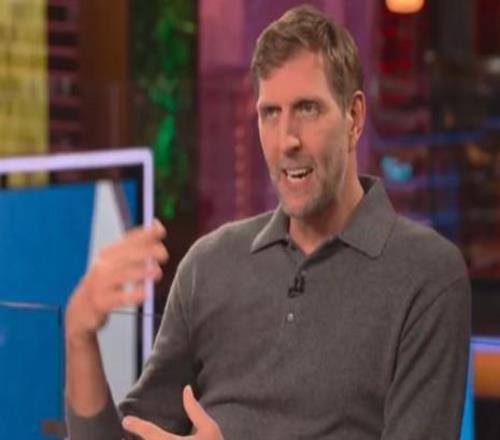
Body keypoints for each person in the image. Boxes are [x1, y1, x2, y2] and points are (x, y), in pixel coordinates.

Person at [65, 5, 470, 439]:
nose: (286, 140)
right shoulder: (210, 265)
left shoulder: (426, 276)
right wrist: (79, 336)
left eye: (308, 109)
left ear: (353, 118)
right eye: (270, 113)